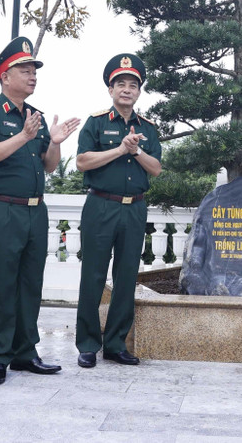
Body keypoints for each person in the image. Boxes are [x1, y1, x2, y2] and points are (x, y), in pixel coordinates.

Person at [0, 36, 80, 386]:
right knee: (1, 286)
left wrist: (57, 143)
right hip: (1, 211)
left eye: (34, 70)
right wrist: (22, 137)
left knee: (30, 285)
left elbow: (47, 166)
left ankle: (26, 352)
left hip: (35, 212)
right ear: (5, 75)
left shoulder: (37, 117)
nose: (32, 75)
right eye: (25, 70)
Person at [75, 54, 162, 368]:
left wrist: (136, 150)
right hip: (101, 205)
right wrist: (120, 149)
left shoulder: (148, 128)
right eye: (120, 84)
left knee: (126, 277)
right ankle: (87, 343)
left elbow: (156, 169)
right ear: (110, 90)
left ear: (139, 92)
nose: (126, 90)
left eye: (133, 85)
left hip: (134, 209)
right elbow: (83, 161)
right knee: (94, 275)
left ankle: (115, 344)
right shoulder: (96, 123)